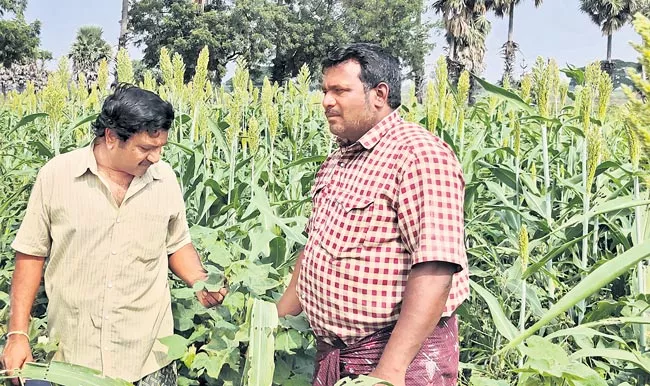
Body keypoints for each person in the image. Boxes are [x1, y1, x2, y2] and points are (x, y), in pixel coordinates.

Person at [0, 84, 228, 385]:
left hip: (149, 360)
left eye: (161, 148)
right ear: (111, 137)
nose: (156, 158)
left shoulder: (165, 180)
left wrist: (200, 281)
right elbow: (31, 253)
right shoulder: (57, 176)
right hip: (74, 362)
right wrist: (18, 334)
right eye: (146, 149)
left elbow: (177, 243)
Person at [276, 43, 469, 386]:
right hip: (338, 356)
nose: (326, 101)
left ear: (379, 94)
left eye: (339, 90)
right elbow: (314, 248)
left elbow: (436, 268)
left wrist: (389, 372)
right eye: (324, 91)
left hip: (397, 359)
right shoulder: (337, 160)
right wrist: (275, 319)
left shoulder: (418, 155)